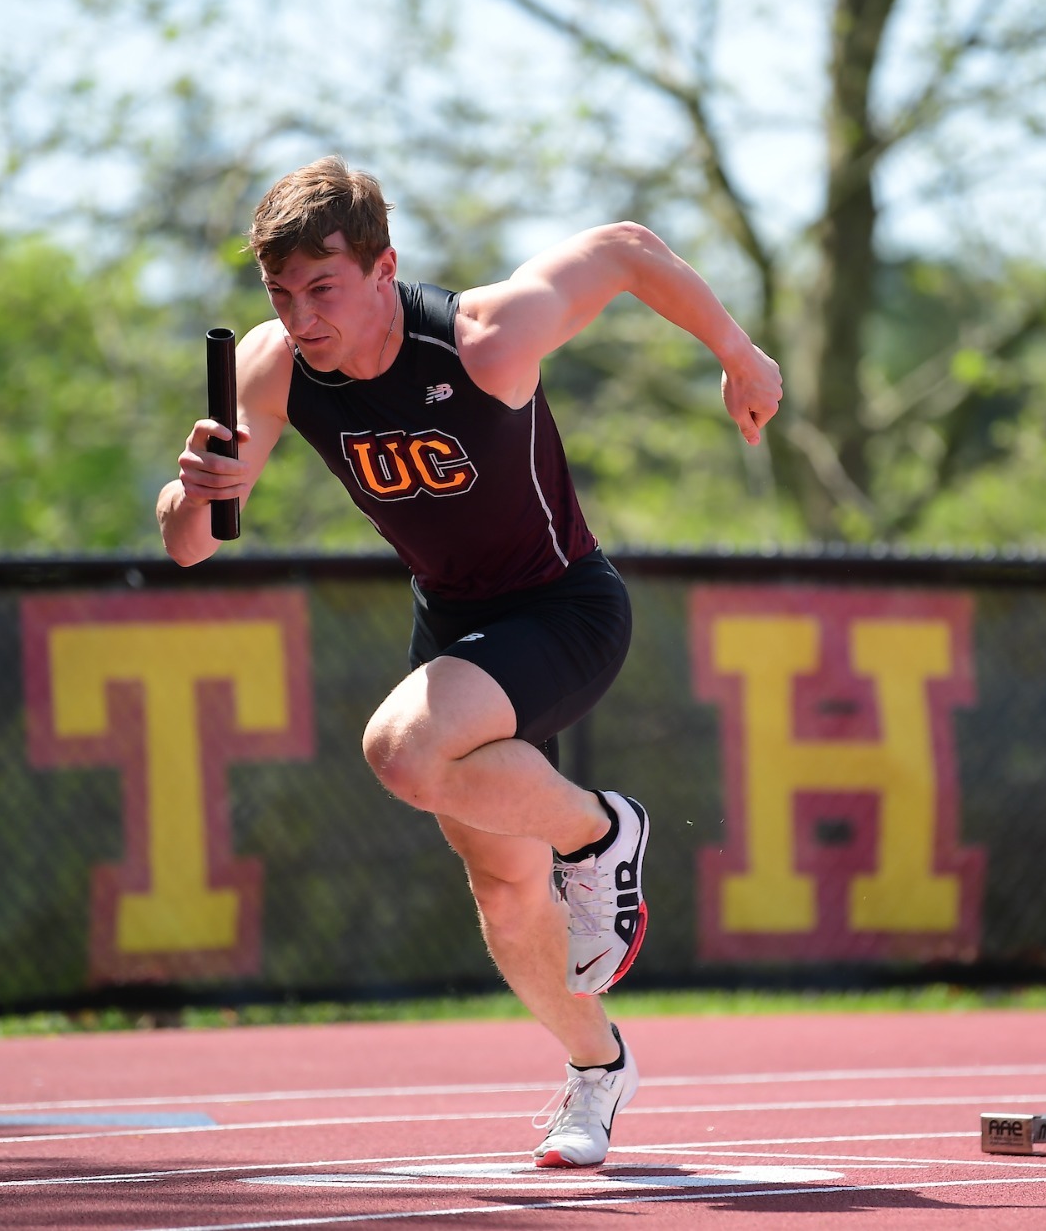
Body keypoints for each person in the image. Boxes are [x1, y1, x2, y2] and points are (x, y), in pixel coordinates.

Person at [157, 156, 782, 1166]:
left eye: (323, 288)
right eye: (281, 293)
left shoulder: (486, 336)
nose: (303, 316)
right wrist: (195, 487)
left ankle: (600, 832)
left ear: (381, 267)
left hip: (563, 608)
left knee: (402, 750)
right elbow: (188, 544)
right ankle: (595, 1069)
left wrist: (738, 352)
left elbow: (623, 251)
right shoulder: (267, 367)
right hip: (454, 631)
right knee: (500, 886)